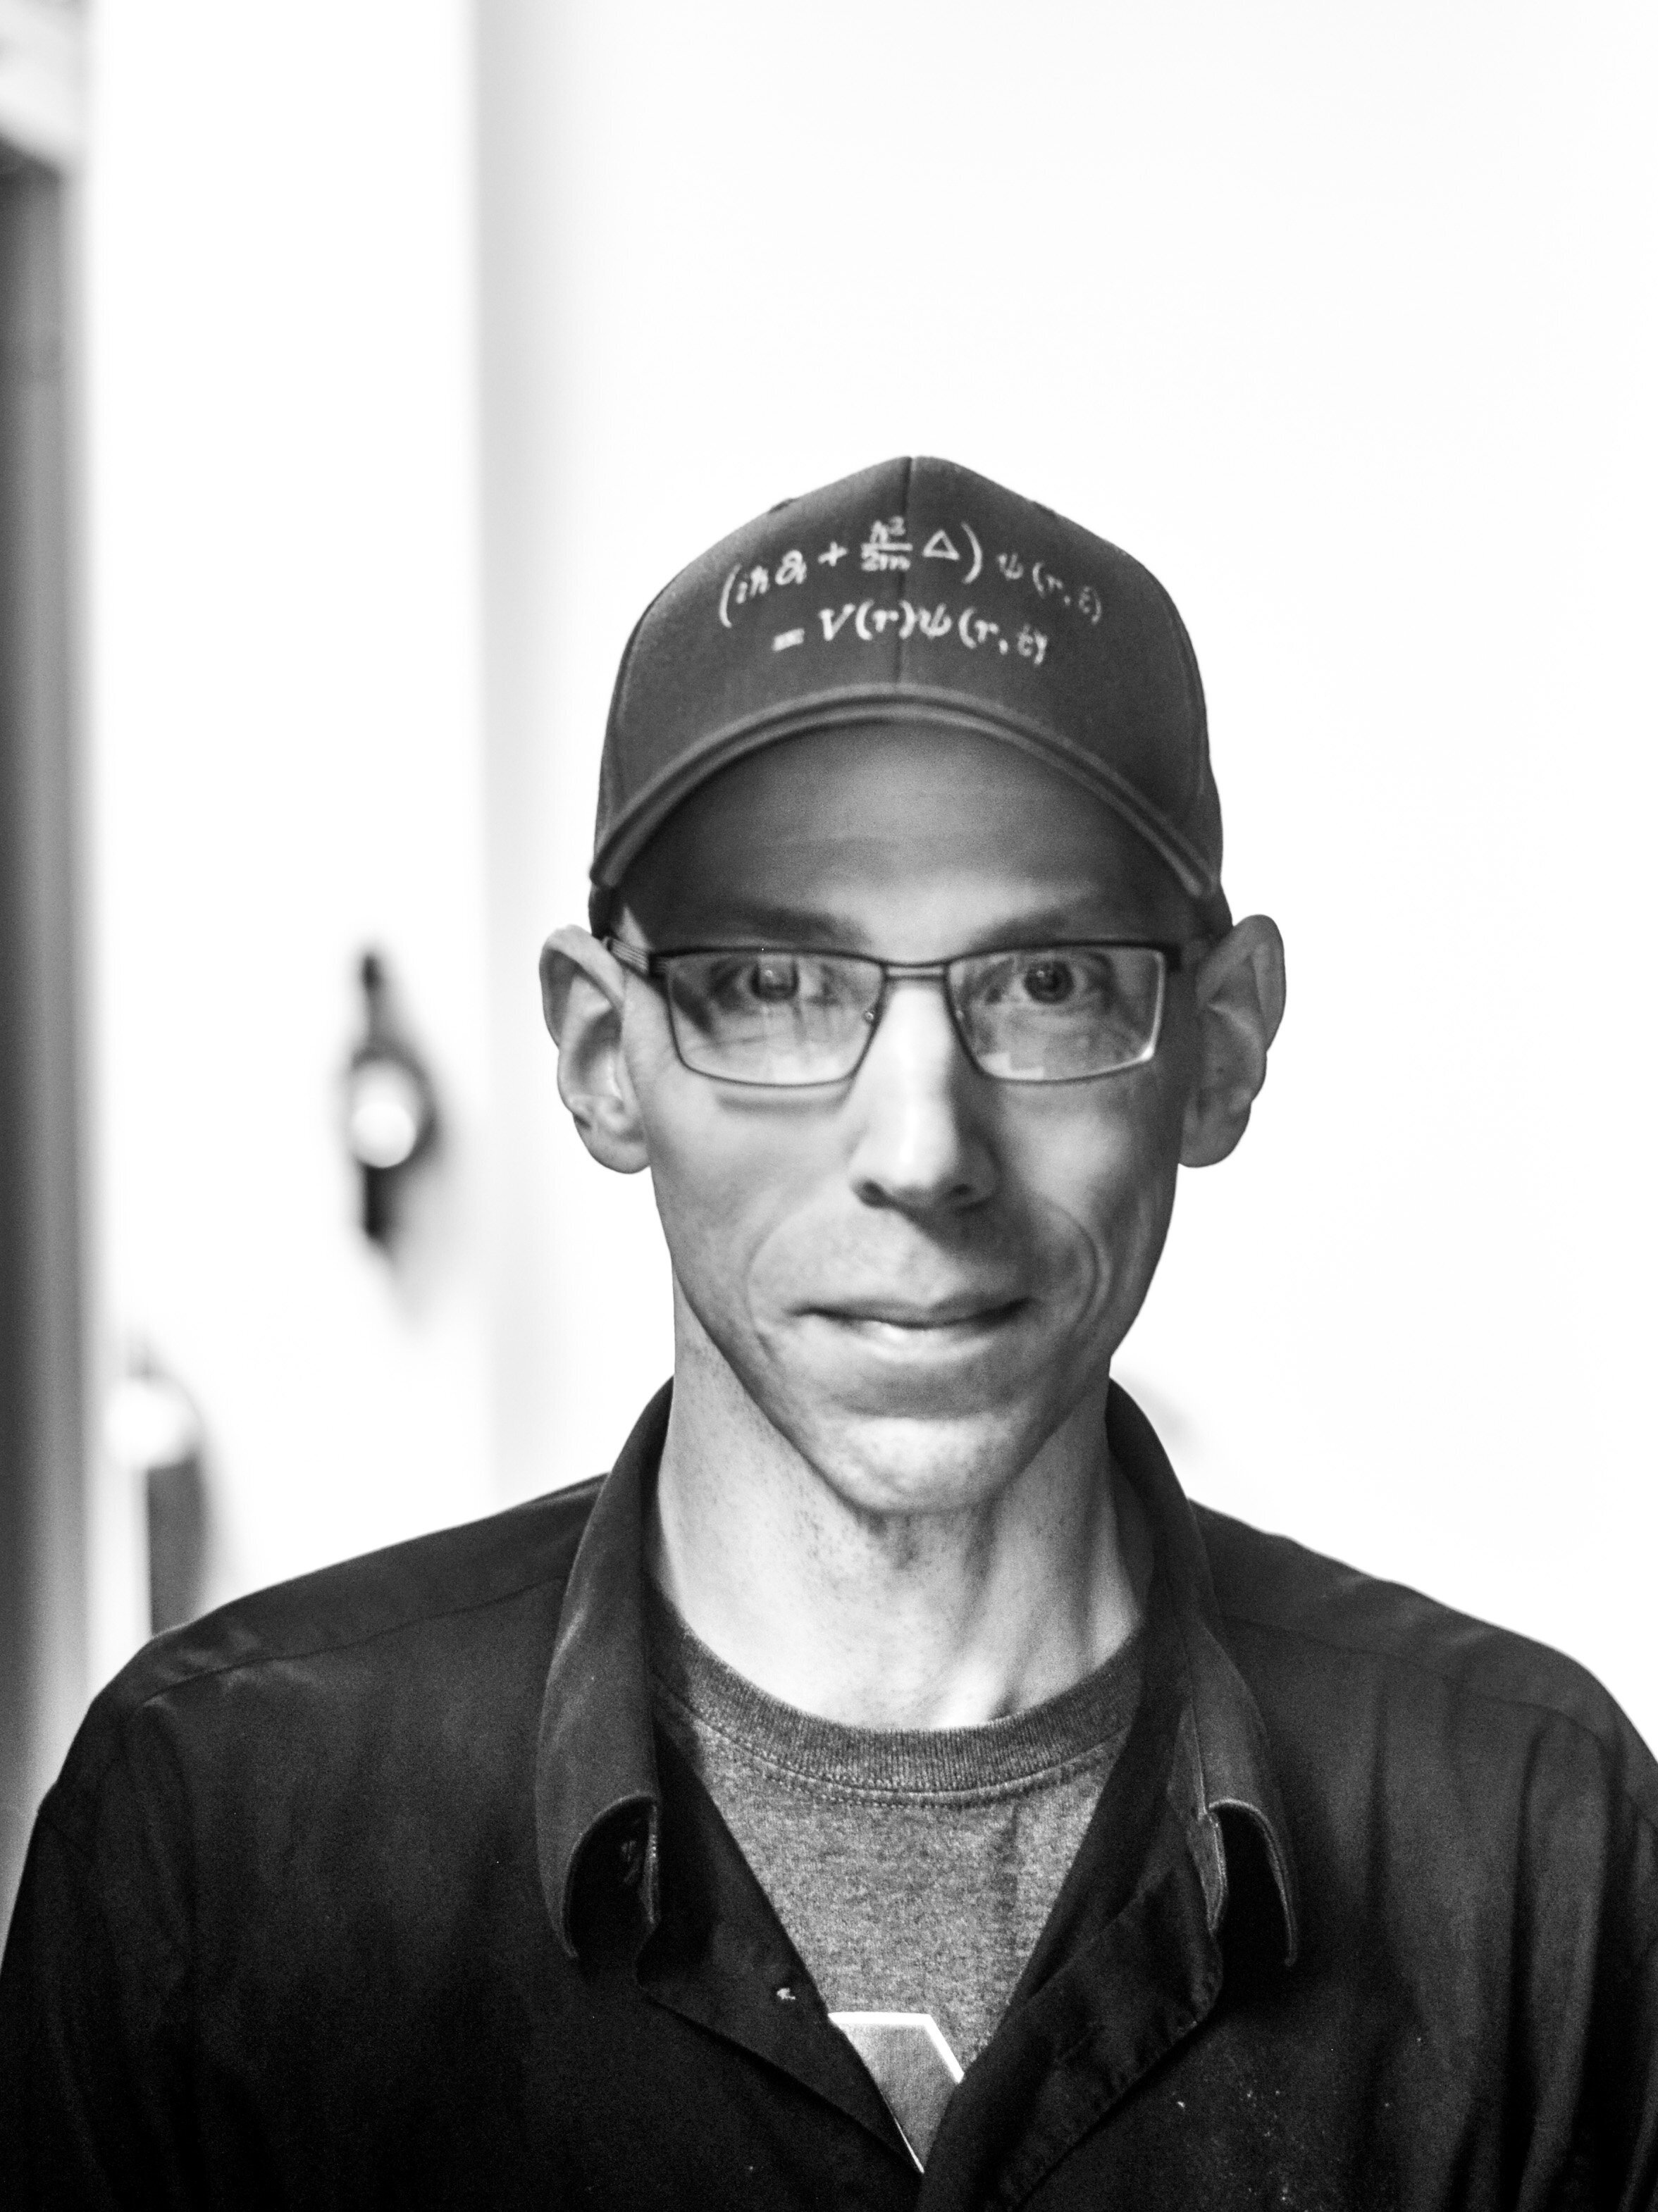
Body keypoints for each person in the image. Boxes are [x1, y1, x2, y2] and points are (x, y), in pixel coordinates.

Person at [2, 457, 1654, 2208]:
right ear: (597, 1049)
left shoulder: (1536, 1860)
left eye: (1048, 980)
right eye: (779, 988)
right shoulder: (217, 1842)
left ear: (1222, 1045)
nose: (923, 1150)